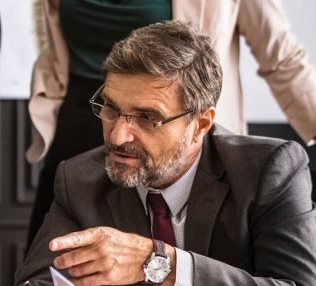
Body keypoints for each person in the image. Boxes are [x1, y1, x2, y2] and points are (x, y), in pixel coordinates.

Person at [2, 21, 316, 286]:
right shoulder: (80, 178)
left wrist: (159, 264)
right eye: (110, 108)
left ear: (200, 125)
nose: (116, 137)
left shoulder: (267, 170)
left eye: (147, 118)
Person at [25, 0, 316, 247]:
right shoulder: (73, 175)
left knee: (177, 269)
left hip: (173, 134)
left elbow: (283, 58)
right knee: (53, 269)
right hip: (81, 124)